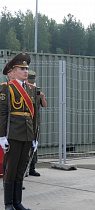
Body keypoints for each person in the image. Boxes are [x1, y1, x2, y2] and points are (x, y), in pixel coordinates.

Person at [0, 52, 38, 210]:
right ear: (13, 71)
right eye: (22, 68)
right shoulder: (6, 88)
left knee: (21, 169)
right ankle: (9, 203)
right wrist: (2, 136)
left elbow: (33, 114)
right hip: (13, 133)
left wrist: (35, 136)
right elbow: (2, 114)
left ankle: (17, 202)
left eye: (27, 68)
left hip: (28, 134)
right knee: (11, 168)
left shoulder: (30, 89)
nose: (25, 71)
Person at [26, 70, 47, 177]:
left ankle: (32, 168)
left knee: (34, 145)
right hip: (26, 122)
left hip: (36, 122)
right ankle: (24, 169)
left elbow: (44, 105)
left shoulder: (37, 90)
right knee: (25, 145)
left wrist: (42, 97)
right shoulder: (23, 90)